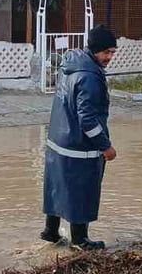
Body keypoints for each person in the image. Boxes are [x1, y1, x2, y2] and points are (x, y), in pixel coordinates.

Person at [41, 25, 118, 250]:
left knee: (57, 187)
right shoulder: (89, 77)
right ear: (95, 51)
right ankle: (80, 240)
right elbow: (87, 119)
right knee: (81, 190)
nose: (110, 57)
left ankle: (51, 232)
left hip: (58, 141)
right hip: (77, 146)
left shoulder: (71, 66)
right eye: (107, 52)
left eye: (113, 52)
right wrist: (106, 146)